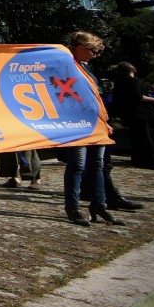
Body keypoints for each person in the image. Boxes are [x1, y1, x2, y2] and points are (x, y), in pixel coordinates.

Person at [62, 31, 124, 227]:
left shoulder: (85, 67)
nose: (96, 55)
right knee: (77, 165)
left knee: (97, 165)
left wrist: (105, 121)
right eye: (93, 51)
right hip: (76, 123)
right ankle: (72, 207)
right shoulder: (66, 64)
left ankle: (99, 204)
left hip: (95, 123)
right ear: (80, 47)